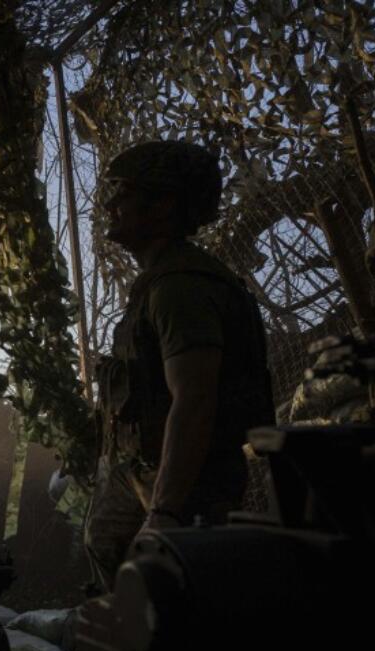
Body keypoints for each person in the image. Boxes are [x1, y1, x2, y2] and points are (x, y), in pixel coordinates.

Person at [85, 140, 275, 591]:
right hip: (144, 472)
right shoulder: (158, 285)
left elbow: (194, 398)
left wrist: (164, 512)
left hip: (186, 485)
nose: (112, 205)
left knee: (179, 603)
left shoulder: (181, 288)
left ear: (164, 205)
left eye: (124, 193)